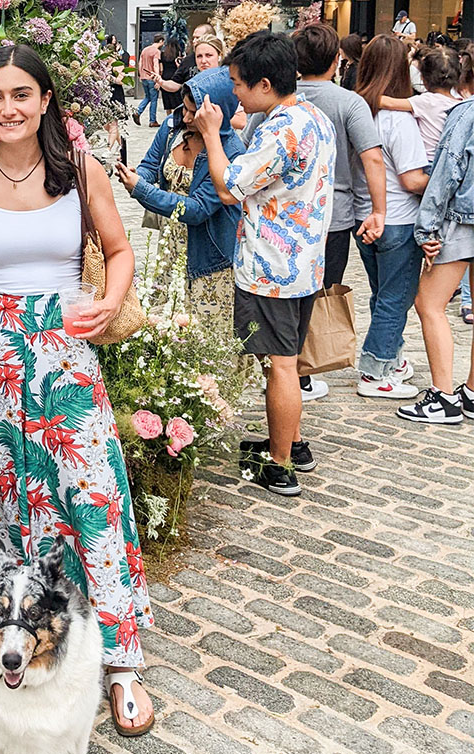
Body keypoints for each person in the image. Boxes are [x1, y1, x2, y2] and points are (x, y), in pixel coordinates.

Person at [0, 43, 156, 738]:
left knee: (89, 501)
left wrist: (108, 300)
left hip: (66, 360)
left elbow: (120, 249)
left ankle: (119, 663)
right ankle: (5, 652)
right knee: (4, 512)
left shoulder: (76, 167)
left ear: (44, 102)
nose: (9, 108)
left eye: (22, 95)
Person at [196, 31, 336, 495]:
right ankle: (291, 443)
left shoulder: (281, 129)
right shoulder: (313, 116)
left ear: (262, 84)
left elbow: (227, 186)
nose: (233, 90)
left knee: (279, 364)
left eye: (237, 82)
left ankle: (280, 466)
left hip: (272, 265)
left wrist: (213, 135)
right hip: (305, 260)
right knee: (288, 361)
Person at [291, 23, 388, 400]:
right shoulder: (349, 102)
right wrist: (378, 210)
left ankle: (290, 369)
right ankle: (305, 367)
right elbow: (372, 158)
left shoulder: (283, 99)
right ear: (337, 60)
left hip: (287, 215)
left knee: (291, 292)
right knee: (320, 291)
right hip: (334, 214)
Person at [117, 66, 244, 330]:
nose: (185, 117)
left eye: (192, 112)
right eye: (183, 108)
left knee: (204, 341)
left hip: (208, 257)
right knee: (166, 332)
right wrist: (137, 175)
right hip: (170, 247)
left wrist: (141, 189)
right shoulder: (173, 126)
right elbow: (151, 164)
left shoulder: (229, 151)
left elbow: (198, 210)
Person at [352, 34, 429, 399]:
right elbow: (412, 179)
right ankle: (374, 370)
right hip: (397, 218)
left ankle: (392, 357)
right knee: (394, 298)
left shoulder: (355, 111)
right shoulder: (398, 121)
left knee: (382, 294)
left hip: (361, 217)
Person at [398, 95, 474, 423]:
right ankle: (471, 393)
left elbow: (448, 168)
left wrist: (427, 227)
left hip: (464, 220)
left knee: (429, 303)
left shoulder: (467, 113)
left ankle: (443, 397)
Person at [382, 45, 461, 164]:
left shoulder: (427, 101)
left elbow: (389, 103)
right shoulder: (460, 102)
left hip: (428, 162)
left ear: (423, 78)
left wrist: (363, 96)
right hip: (449, 162)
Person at [156, 34, 246, 130]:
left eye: (208, 55)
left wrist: (208, 118)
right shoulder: (193, 82)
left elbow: (241, 121)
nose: (203, 61)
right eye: (199, 56)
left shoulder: (230, 82)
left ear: (219, 56)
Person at [132, 34, 163, 128]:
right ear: (161, 41)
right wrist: (158, 79)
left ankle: (138, 112)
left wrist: (140, 75)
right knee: (154, 100)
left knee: (147, 97)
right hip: (152, 78)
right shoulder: (156, 51)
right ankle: (152, 121)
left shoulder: (145, 50)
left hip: (144, 77)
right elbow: (155, 64)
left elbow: (140, 63)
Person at [159, 37, 184, 115]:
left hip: (165, 76)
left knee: (167, 101)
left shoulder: (163, 54)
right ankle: (176, 116)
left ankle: (168, 117)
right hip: (175, 76)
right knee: (176, 99)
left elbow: (161, 67)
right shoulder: (179, 53)